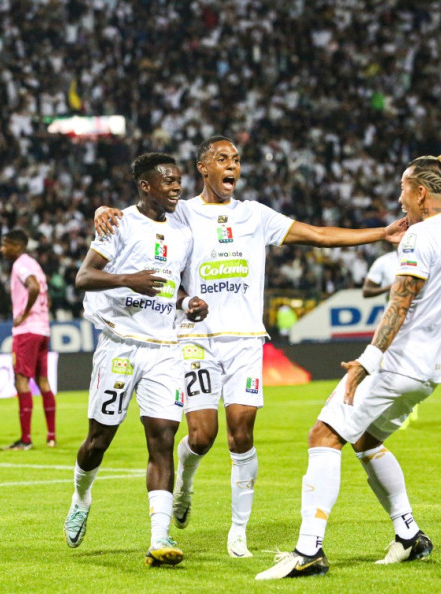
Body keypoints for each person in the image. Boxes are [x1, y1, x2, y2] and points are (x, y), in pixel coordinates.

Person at [95, 136, 406, 558]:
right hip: (194, 338)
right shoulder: (182, 211)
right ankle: (184, 481)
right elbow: (138, 216)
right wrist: (103, 211)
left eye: (237, 160)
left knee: (241, 433)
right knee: (202, 436)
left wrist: (379, 234)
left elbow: (316, 235)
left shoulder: (255, 215)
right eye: (222, 159)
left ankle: (237, 532)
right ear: (203, 168)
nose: (232, 166)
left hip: (244, 340)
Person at [256, 154, 441, 580]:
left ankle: (308, 551)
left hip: (396, 364)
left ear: (421, 192)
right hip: (426, 375)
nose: (399, 200)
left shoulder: (420, 237)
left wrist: (368, 360)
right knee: (364, 440)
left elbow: (400, 302)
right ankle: (409, 536)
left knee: (323, 435)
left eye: (403, 189)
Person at [63, 152, 208, 567]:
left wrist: (188, 302)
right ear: (146, 186)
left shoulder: (182, 229)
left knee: (161, 440)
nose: (177, 187)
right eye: (168, 181)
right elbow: (84, 277)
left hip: (164, 348)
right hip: (120, 345)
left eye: (179, 180)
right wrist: (130, 279)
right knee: (98, 441)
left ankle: (159, 539)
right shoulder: (118, 223)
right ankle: (81, 495)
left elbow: (172, 287)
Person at [0, 229, 57, 450]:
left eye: (5, 244)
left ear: (17, 245)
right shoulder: (35, 265)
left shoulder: (21, 264)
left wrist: (22, 314)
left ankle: (25, 440)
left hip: (27, 331)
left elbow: (32, 287)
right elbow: (45, 297)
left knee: (21, 381)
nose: (2, 249)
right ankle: (51, 436)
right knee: (43, 382)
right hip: (43, 329)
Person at [363, 243, 420, 428]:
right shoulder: (384, 262)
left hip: (418, 318)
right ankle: (393, 410)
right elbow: (366, 291)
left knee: (413, 363)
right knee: (388, 365)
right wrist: (390, 287)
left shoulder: (420, 256)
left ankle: (409, 407)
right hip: (393, 319)